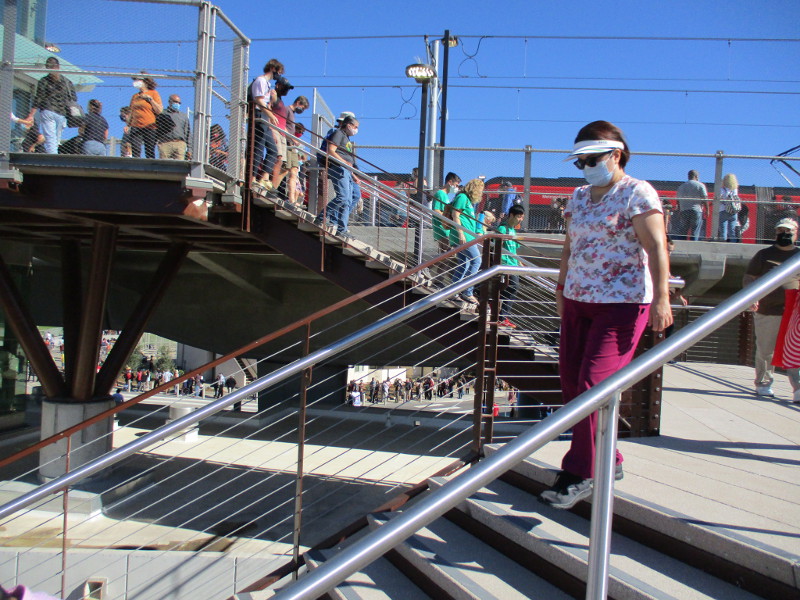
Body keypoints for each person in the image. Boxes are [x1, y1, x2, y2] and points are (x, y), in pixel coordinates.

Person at [541, 120, 672, 510]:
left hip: (622, 304)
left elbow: (656, 246)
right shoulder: (579, 196)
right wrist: (560, 289)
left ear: (616, 155)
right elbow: (570, 248)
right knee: (571, 385)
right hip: (578, 300)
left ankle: (582, 472)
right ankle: (608, 458)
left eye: (591, 160)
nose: (584, 167)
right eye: (579, 162)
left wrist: (662, 297)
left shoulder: (637, 192)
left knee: (592, 385)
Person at [743, 217, 800, 400]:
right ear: (775, 233)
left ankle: (798, 388)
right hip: (768, 310)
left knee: (796, 350)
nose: (784, 235)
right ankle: (763, 383)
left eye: (788, 232)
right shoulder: (763, 254)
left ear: (796, 234)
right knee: (766, 349)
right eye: (781, 231)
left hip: (794, 312)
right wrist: (752, 297)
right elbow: (749, 277)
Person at [315, 115, 360, 237]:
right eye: (355, 127)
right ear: (349, 125)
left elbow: (347, 159)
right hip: (338, 168)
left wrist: (353, 175)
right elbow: (331, 150)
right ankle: (322, 216)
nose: (356, 130)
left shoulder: (347, 138)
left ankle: (342, 229)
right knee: (343, 197)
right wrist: (344, 162)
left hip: (346, 170)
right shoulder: (339, 133)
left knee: (348, 200)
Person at [450, 178, 492, 306]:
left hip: (468, 236)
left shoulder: (468, 200)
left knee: (464, 263)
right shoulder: (462, 197)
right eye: (480, 189)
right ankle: (467, 292)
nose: (481, 192)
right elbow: (455, 214)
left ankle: (453, 291)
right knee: (476, 261)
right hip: (464, 236)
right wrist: (461, 233)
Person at [249, 58, 284, 190]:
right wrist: (271, 115)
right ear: (273, 69)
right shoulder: (261, 81)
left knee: (273, 150)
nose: (278, 75)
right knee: (258, 148)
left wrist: (270, 123)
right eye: (278, 72)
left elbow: (267, 103)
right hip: (259, 115)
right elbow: (259, 100)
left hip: (265, 118)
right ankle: (252, 178)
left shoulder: (268, 85)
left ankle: (264, 178)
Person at [30, 56, 77, 154]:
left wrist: (31, 115)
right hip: (62, 113)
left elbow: (39, 98)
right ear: (58, 66)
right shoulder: (67, 82)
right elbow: (74, 98)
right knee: (56, 139)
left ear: (47, 68)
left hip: (48, 110)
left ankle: (52, 157)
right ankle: (54, 155)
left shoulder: (44, 81)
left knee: (50, 138)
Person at [497, 204, 525, 328]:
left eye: (522, 217)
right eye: (519, 217)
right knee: (513, 287)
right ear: (512, 215)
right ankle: (502, 317)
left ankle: (501, 316)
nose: (520, 220)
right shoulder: (503, 229)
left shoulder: (513, 230)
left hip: (513, 265)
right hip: (506, 265)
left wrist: (519, 262)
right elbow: (496, 246)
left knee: (508, 289)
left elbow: (513, 250)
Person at [127, 74, 163, 158]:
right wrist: (128, 125)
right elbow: (131, 112)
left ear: (145, 81)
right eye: (135, 80)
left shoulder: (153, 93)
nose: (136, 82)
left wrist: (150, 99)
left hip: (150, 126)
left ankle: (150, 165)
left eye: (138, 80)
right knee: (136, 149)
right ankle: (137, 165)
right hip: (136, 126)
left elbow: (159, 110)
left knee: (149, 150)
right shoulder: (135, 96)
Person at [431, 172, 461, 268]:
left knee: (446, 256)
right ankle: (427, 267)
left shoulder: (446, 196)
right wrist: (448, 220)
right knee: (449, 253)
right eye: (456, 185)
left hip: (446, 228)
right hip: (442, 229)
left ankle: (438, 276)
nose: (456, 188)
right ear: (450, 182)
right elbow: (436, 210)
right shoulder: (440, 194)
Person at [674, 170, 707, 241]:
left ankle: (682, 245)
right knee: (695, 231)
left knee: (683, 230)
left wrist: (679, 210)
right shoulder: (700, 185)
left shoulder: (681, 186)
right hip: (696, 210)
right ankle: (694, 245)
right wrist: (707, 210)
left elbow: (678, 200)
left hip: (684, 210)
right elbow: (705, 198)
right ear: (696, 176)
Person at [156, 94, 191, 160]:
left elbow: (188, 133)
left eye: (179, 103)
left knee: (179, 164)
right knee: (163, 163)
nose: (177, 104)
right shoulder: (163, 113)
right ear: (170, 102)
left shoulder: (183, 116)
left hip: (179, 143)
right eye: (175, 102)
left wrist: (189, 149)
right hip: (165, 143)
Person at [718, 173, 741, 242]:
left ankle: (723, 244)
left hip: (723, 210)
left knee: (723, 231)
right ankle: (733, 244)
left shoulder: (722, 189)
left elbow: (720, 199)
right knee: (732, 231)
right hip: (733, 212)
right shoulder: (735, 189)